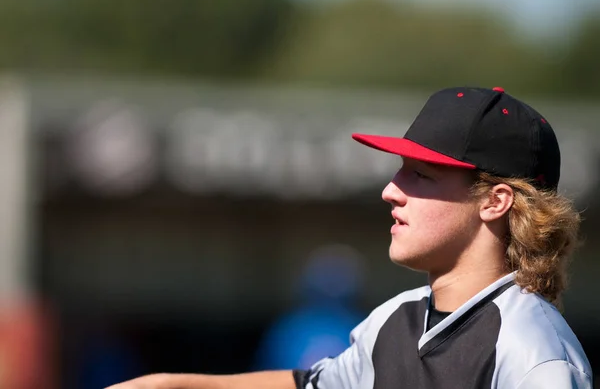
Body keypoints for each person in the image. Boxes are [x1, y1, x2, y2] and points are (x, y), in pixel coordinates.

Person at [107, 86, 593, 389]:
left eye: (420, 176)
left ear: (495, 201)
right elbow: (311, 383)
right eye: (398, 171)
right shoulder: (394, 321)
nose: (390, 191)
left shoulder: (534, 355)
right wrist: (168, 385)